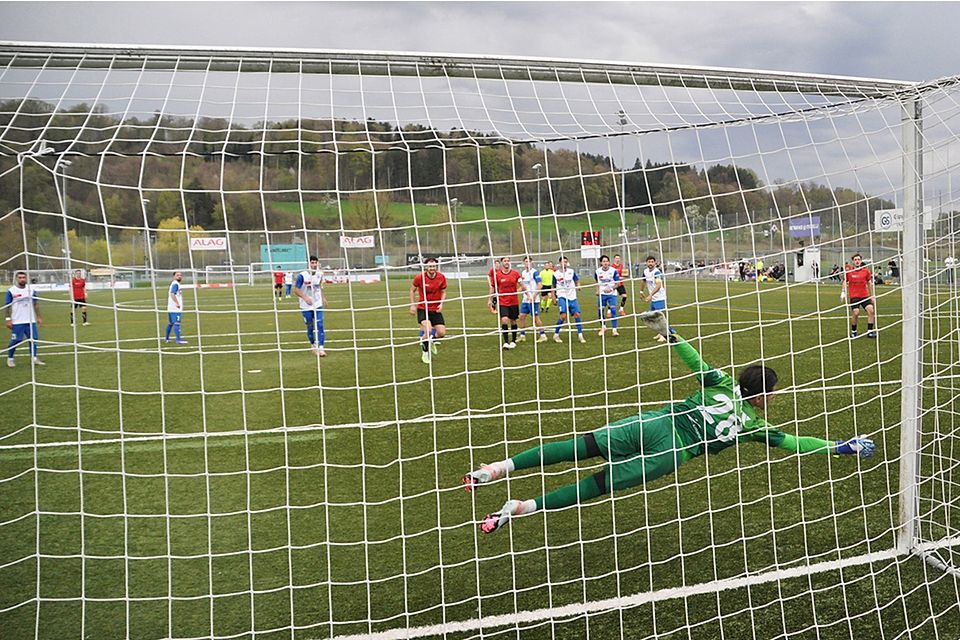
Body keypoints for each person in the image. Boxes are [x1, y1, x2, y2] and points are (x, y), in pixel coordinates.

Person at [463, 311, 877, 533]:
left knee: (584, 446)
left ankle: (497, 469)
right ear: (765, 394)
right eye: (774, 391)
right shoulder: (751, 424)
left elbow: (695, 360)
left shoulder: (721, 384)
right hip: (673, 453)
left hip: (657, 422)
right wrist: (839, 447)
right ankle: (521, 507)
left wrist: (669, 332)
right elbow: (794, 442)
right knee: (601, 484)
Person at [409, 257, 447, 364]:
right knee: (428, 329)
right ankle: (425, 352)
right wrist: (412, 305)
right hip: (423, 308)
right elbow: (412, 290)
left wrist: (441, 303)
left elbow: (444, 292)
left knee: (441, 333)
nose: (432, 268)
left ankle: (431, 341)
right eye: (430, 266)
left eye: (434, 266)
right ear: (426, 267)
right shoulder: (420, 277)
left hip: (435, 310)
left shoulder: (441, 277)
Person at [6, 271, 44, 367]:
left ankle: (34, 358)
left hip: (30, 320)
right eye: (20, 277)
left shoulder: (31, 290)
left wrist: (38, 317)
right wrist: (8, 319)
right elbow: (7, 306)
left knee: (34, 339)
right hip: (17, 320)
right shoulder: (11, 291)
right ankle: (10, 358)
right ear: (16, 279)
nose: (22, 279)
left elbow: (35, 304)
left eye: (24, 277)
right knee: (16, 340)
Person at [293, 256, 327, 356]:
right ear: (308, 264)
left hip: (317, 304)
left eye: (315, 263)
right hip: (306, 305)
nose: (314, 265)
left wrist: (323, 297)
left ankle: (321, 348)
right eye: (312, 263)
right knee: (310, 326)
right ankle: (313, 344)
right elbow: (296, 290)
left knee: (320, 325)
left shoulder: (320, 274)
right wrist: (305, 297)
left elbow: (319, 286)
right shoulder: (302, 276)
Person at [488, 256, 522, 350]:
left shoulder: (515, 274)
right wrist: (490, 299)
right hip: (503, 302)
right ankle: (506, 342)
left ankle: (513, 341)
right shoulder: (497, 275)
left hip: (513, 301)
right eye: (505, 261)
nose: (507, 262)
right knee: (504, 320)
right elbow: (493, 287)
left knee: (513, 321)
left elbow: (522, 285)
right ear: (502, 263)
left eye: (508, 261)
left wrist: (524, 293)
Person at [841, 253, 876, 339]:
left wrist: (872, 296)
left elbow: (869, 283)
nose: (857, 261)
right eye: (855, 260)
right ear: (853, 261)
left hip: (864, 296)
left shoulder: (866, 271)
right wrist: (843, 293)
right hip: (854, 296)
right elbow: (845, 282)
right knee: (856, 313)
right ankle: (854, 332)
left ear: (861, 261)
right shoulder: (849, 272)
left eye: (858, 260)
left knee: (871, 310)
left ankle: (870, 332)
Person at [553, 256, 585, 343]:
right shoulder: (555, 274)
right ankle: (556, 335)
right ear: (560, 263)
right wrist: (553, 297)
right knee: (563, 316)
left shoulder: (571, 272)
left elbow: (577, 280)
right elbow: (553, 286)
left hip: (572, 296)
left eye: (566, 262)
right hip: (562, 296)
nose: (564, 263)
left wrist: (578, 285)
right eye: (563, 262)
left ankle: (580, 335)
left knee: (577, 315)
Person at [643, 255, 674, 342]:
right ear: (646, 263)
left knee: (660, 318)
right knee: (655, 317)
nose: (650, 263)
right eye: (649, 262)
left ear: (655, 263)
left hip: (659, 298)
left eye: (652, 262)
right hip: (654, 299)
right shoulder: (645, 271)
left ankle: (668, 333)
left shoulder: (657, 273)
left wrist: (650, 295)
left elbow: (659, 285)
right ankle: (661, 333)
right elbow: (643, 280)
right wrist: (641, 291)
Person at [517, 256, 547, 343]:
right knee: (521, 317)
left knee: (535, 318)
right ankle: (522, 335)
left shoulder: (534, 272)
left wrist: (533, 296)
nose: (527, 263)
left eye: (528, 262)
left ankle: (543, 335)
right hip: (525, 299)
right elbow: (523, 286)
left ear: (531, 262)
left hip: (533, 300)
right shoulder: (523, 273)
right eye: (525, 262)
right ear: (523, 263)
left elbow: (540, 285)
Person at [595, 254, 621, 337]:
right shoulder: (597, 271)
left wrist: (612, 288)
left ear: (609, 262)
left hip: (612, 294)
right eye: (604, 261)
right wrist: (597, 290)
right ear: (601, 263)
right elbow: (597, 282)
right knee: (600, 311)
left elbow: (618, 283)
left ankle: (614, 330)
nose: (605, 263)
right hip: (602, 294)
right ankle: (603, 327)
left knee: (613, 310)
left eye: (607, 261)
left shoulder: (613, 271)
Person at [164, 271, 188, 345]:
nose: (179, 276)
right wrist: (177, 303)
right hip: (175, 308)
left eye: (180, 275)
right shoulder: (175, 284)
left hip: (171, 307)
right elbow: (172, 294)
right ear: (174, 276)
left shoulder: (175, 284)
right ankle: (178, 340)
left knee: (171, 323)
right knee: (177, 323)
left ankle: (167, 339)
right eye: (177, 275)